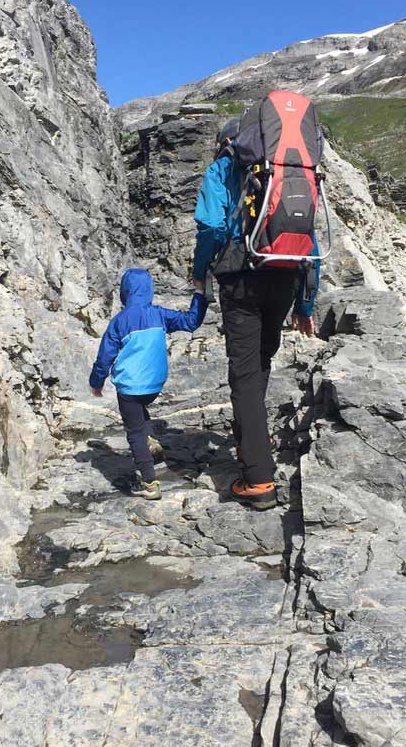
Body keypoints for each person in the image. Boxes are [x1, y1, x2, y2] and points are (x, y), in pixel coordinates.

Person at [192, 118, 317, 510]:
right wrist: (306, 305)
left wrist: (200, 274)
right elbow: (309, 236)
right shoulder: (291, 170)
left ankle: (258, 480)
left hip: (241, 275)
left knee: (244, 373)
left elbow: (211, 227)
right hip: (285, 273)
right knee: (260, 363)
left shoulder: (224, 167)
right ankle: (251, 439)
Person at [89, 267, 207, 500]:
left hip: (131, 388)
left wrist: (96, 382)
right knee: (139, 409)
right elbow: (192, 322)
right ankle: (150, 440)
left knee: (133, 431)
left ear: (126, 292)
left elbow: (105, 357)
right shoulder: (159, 315)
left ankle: (149, 482)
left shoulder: (119, 322)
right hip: (154, 385)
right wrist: (200, 294)